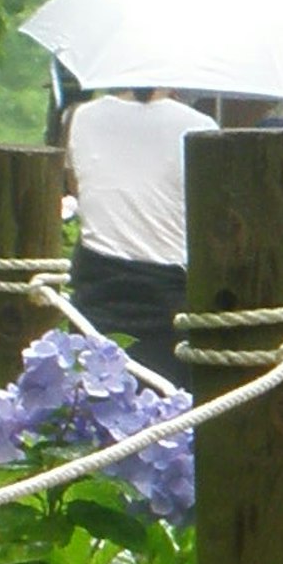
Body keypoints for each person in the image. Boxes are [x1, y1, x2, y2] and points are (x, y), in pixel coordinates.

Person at [61, 81, 206, 377]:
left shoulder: (82, 116)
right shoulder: (199, 125)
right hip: (169, 288)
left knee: (88, 395)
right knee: (169, 406)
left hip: (96, 282)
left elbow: (76, 188)